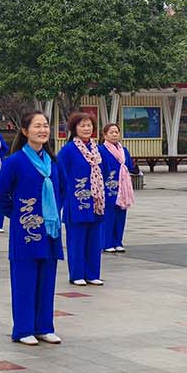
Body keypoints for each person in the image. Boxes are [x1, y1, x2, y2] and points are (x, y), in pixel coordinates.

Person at [0, 111, 63, 346]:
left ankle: (44, 327)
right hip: (26, 231)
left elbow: (63, 191)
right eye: (37, 126)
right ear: (24, 131)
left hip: (50, 231)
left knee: (47, 278)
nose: (43, 130)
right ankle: (23, 329)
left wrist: (52, 214)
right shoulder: (15, 162)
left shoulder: (53, 162)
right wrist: (16, 214)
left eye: (46, 126)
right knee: (25, 280)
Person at [56, 111, 107, 287]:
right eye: (82, 125)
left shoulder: (98, 149)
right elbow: (59, 174)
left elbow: (105, 171)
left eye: (89, 125)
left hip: (96, 201)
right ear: (74, 128)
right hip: (76, 202)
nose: (86, 128)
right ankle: (77, 273)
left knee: (94, 240)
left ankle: (93, 273)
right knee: (76, 240)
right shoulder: (68, 150)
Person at [99, 122, 140, 252]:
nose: (115, 134)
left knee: (121, 214)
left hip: (123, 188)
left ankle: (118, 241)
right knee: (109, 215)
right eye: (111, 132)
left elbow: (130, 166)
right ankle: (107, 243)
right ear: (105, 135)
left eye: (117, 132)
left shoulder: (124, 151)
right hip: (109, 187)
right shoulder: (101, 150)